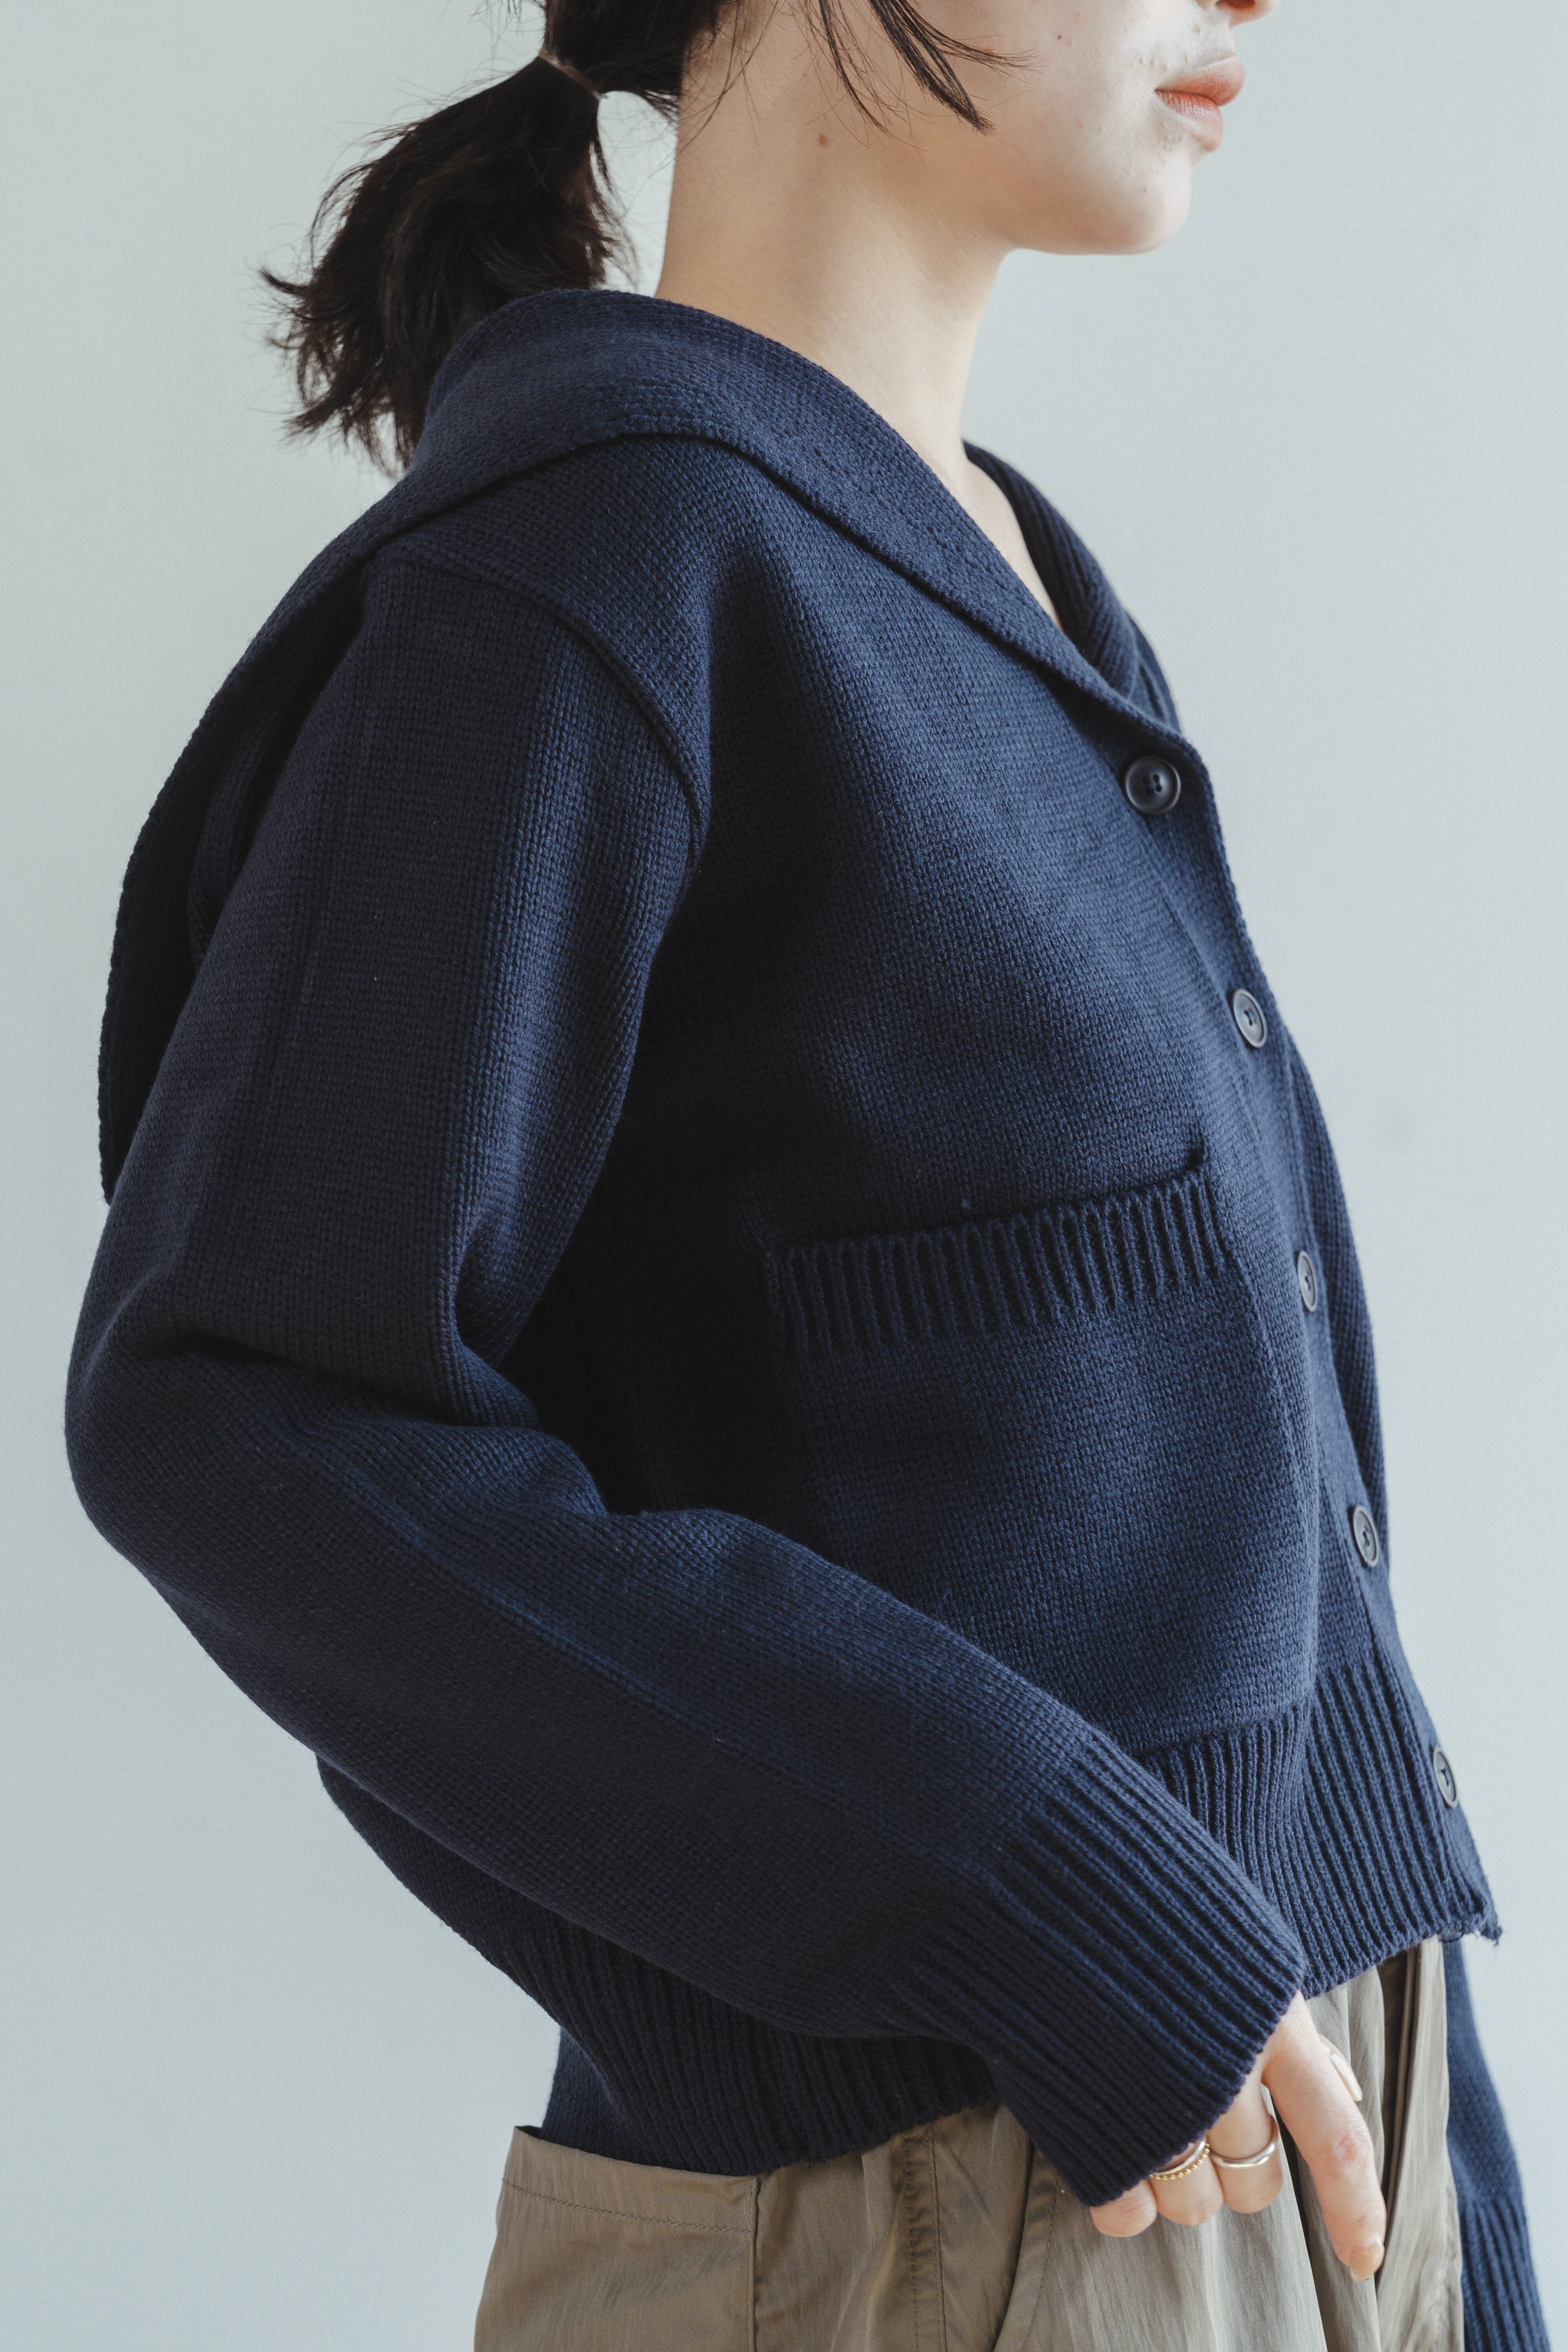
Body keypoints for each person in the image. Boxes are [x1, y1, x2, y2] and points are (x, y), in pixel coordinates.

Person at [66, 2, 1550, 2346]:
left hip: (1300, 2167)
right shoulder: (598, 563)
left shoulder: (1009, 579)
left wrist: (1462, 2227)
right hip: (956, 2233)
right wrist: (1034, 1890)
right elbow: (238, 1407)